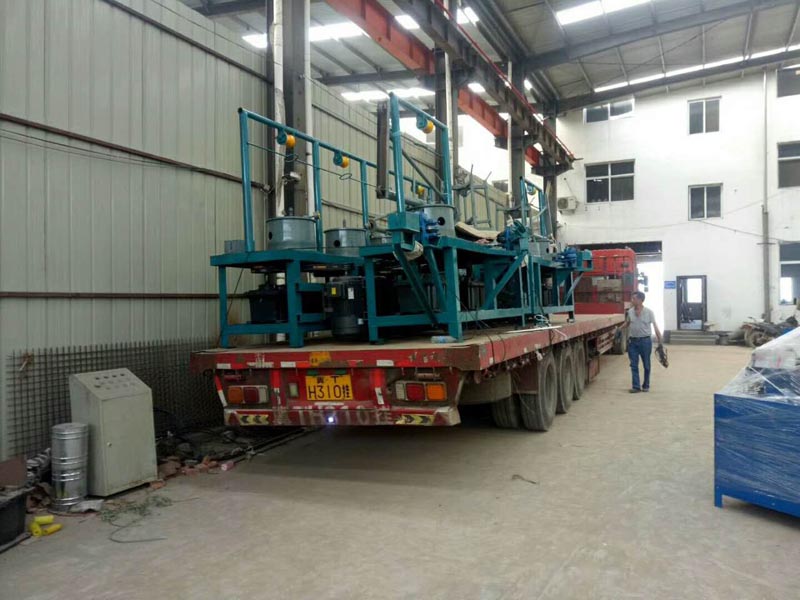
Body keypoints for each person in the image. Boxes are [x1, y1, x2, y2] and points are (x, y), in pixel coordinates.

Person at [621, 291, 663, 393]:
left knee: (646, 365)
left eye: (634, 299)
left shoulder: (649, 312)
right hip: (633, 342)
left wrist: (660, 342)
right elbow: (627, 323)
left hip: (645, 342)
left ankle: (646, 385)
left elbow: (655, 327)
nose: (632, 300)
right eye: (632, 298)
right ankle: (636, 387)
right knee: (633, 365)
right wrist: (619, 329)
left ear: (640, 300)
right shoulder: (630, 312)